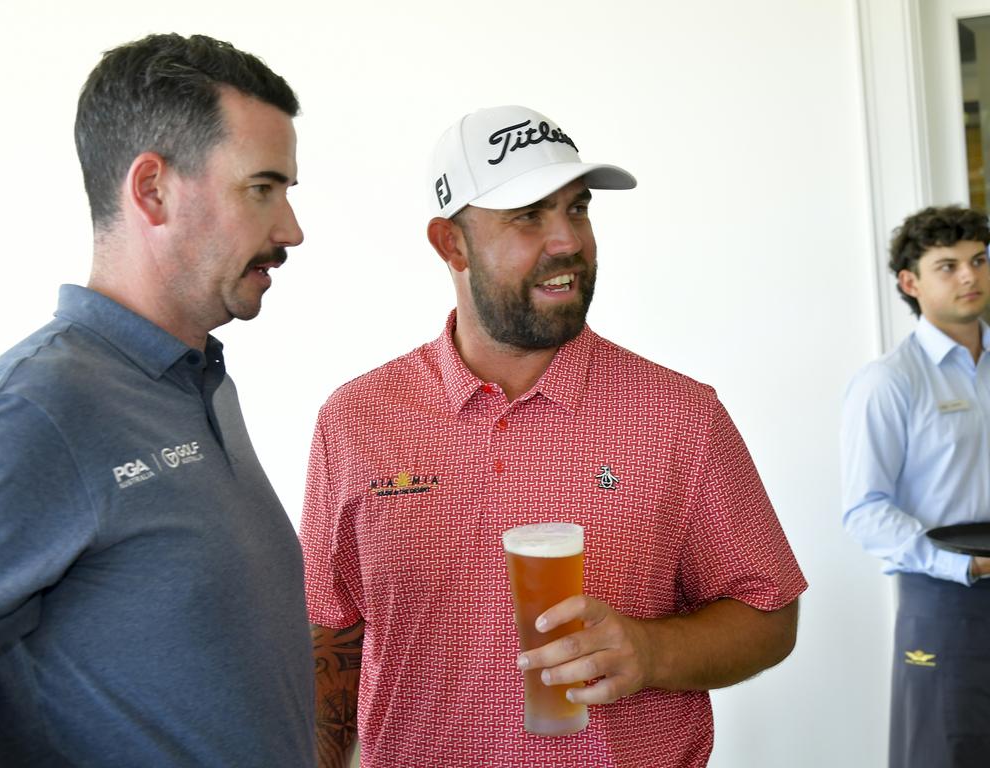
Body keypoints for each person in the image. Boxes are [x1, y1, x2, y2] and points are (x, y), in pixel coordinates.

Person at [300, 104, 806, 768]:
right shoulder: (357, 419)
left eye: (578, 209)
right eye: (529, 216)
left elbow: (769, 613)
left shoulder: (682, 416)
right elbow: (328, 631)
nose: (568, 241)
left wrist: (652, 653)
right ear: (451, 245)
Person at [0, 34, 315, 767]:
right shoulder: (35, 411)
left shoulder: (201, 380)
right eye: (262, 187)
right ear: (152, 188)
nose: (290, 230)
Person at [841, 205, 990, 768]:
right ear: (911, 283)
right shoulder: (888, 382)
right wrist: (969, 567)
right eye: (947, 266)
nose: (970, 276)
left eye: (979, 260)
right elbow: (865, 510)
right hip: (943, 599)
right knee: (943, 752)